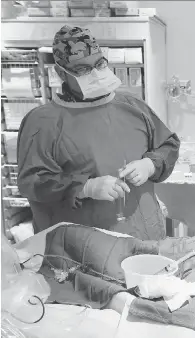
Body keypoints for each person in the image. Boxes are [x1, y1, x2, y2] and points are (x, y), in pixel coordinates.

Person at [17, 25, 180, 240]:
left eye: (99, 64)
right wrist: (85, 187)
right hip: (79, 245)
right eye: (82, 70)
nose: (95, 74)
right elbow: (32, 181)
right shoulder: (42, 122)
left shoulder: (133, 107)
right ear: (60, 73)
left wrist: (151, 164)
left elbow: (168, 144)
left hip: (141, 234)